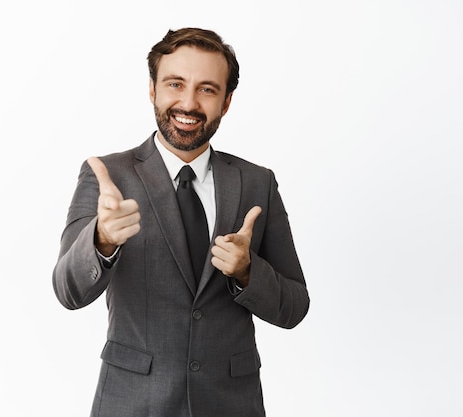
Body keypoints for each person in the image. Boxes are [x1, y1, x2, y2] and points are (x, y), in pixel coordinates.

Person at [52, 27, 309, 417]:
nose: (188, 103)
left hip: (231, 404)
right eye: (175, 84)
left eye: (207, 89)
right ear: (152, 89)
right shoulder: (108, 175)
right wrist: (101, 240)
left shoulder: (258, 183)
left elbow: (294, 307)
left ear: (226, 102)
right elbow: (67, 291)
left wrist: (247, 272)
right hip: (133, 402)